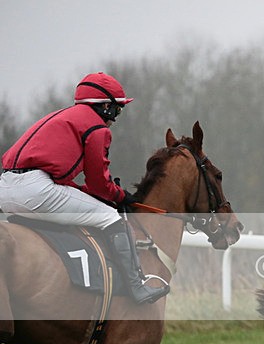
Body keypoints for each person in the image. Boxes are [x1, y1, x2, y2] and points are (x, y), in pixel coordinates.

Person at [0, 72, 170, 303]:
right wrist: (121, 197)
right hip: (35, 190)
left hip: (6, 189)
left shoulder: (64, 116)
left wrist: (101, 194)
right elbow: (99, 183)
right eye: (117, 109)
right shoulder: (97, 128)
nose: (116, 117)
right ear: (105, 107)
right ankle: (136, 286)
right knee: (111, 217)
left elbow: (68, 184)